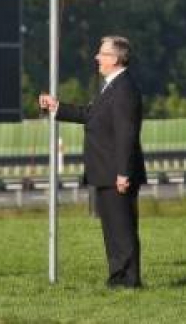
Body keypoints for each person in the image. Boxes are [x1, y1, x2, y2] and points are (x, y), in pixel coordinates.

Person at [39, 35, 146, 289]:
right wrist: (57, 107)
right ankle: (119, 277)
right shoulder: (111, 86)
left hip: (116, 172)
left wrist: (123, 172)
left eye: (102, 53)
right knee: (112, 230)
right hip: (105, 171)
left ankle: (128, 280)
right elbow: (90, 115)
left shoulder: (124, 89)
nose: (97, 58)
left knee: (122, 229)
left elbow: (126, 133)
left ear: (116, 59)